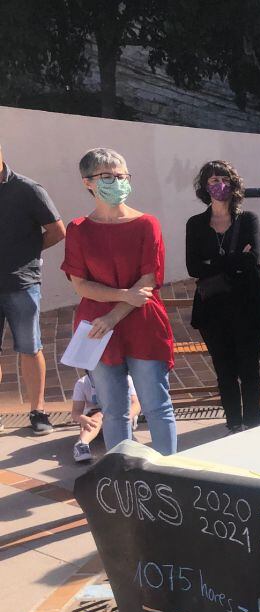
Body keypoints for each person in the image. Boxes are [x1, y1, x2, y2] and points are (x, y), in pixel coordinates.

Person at [60, 148, 176, 455]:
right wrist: (123, 296)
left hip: (141, 324)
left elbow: (148, 279)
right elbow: (81, 284)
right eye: (107, 176)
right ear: (88, 182)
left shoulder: (147, 224)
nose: (117, 181)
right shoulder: (78, 229)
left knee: (156, 406)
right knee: (114, 411)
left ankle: (167, 476)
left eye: (122, 175)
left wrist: (113, 316)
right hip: (97, 330)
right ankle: (124, 480)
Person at [185, 160, 260, 433]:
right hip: (213, 309)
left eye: (223, 178)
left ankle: (253, 425)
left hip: (248, 306)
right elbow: (193, 267)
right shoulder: (196, 224)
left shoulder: (248, 220)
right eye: (212, 180)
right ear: (204, 187)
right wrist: (234, 259)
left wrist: (214, 261)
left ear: (233, 184)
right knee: (224, 371)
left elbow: (252, 259)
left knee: (249, 370)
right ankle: (234, 424)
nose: (218, 184)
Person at [0, 142, 66, 434]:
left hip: (21, 284)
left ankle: (38, 411)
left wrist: (28, 252)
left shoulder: (28, 189)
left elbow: (57, 231)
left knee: (30, 347)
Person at [70, 370, 140, 463]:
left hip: (121, 414)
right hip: (94, 419)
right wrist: (83, 418)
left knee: (107, 414)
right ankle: (81, 444)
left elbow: (136, 404)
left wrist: (125, 418)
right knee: (100, 415)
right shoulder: (82, 383)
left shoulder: (125, 379)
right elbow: (75, 412)